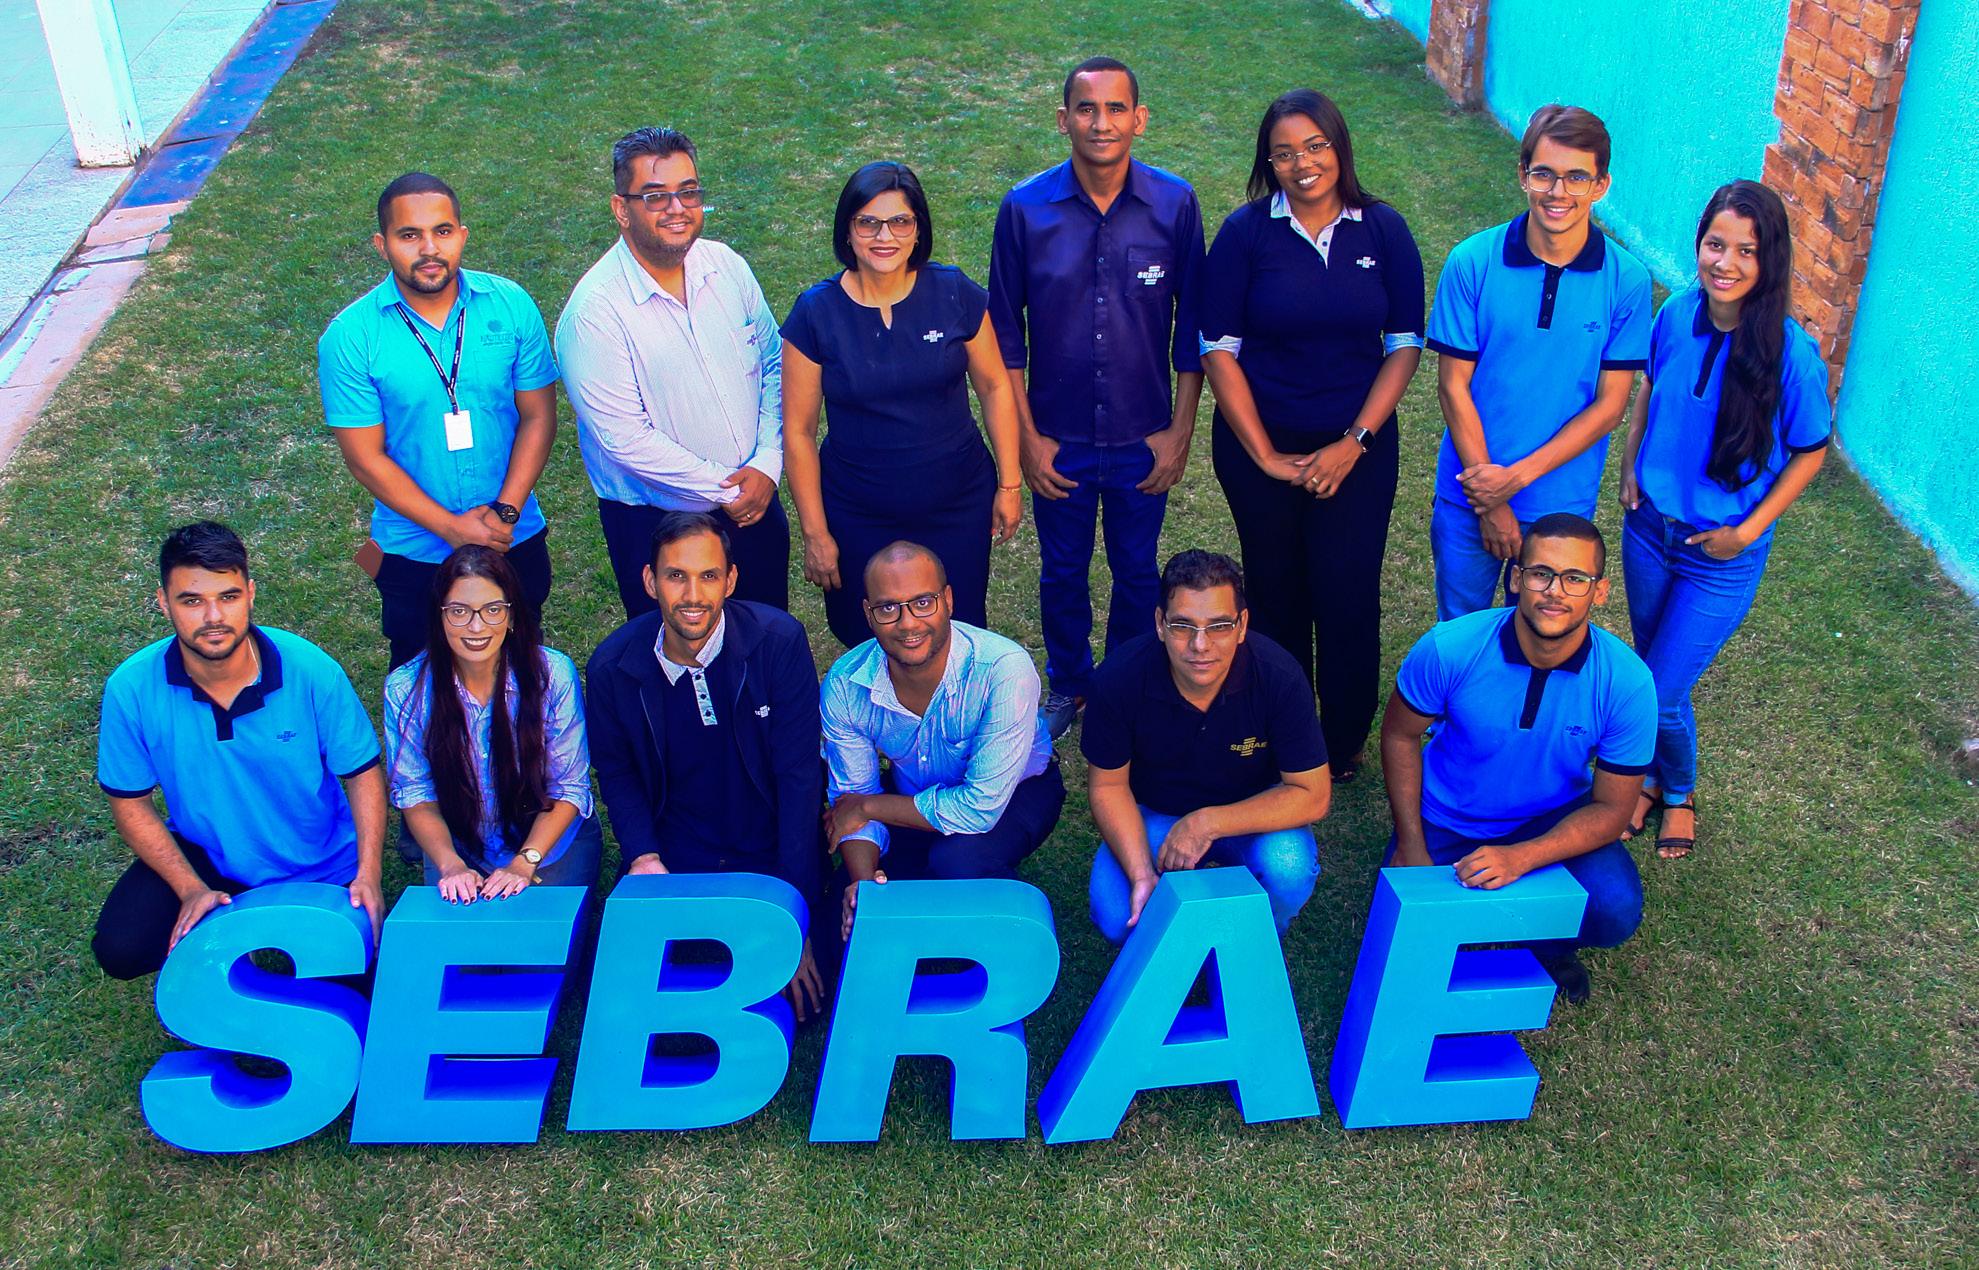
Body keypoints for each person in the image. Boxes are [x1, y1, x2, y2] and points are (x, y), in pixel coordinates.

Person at [1199, 89, 1425, 781]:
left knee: (1346, 591)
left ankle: (1344, 738)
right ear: (1267, 162)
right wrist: (1266, 455)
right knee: (1275, 593)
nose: (1302, 164)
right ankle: (1286, 733)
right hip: (1259, 449)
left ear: (1339, 146)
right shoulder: (1245, 234)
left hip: (1358, 448)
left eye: (1315, 146)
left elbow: (1404, 344)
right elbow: (1217, 348)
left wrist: (1353, 441)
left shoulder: (1382, 230)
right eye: (1284, 153)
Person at [986, 56, 1206, 739]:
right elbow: (1004, 336)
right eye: (1086, 109)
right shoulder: (1025, 209)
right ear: (1063, 120)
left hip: (1144, 435)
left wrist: (1179, 432)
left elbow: (1194, 330)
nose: (1100, 123)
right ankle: (1070, 684)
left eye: (1115, 109)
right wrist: (1027, 439)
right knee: (1062, 572)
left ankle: (1126, 683)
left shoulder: (1174, 204)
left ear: (1139, 119)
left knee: (1138, 571)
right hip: (1058, 438)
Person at [1618, 180, 1830, 860]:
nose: (1725, 263)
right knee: (1655, 674)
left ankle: (1676, 791)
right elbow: (1650, 390)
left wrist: (1747, 529)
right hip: (1649, 531)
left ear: (1769, 260)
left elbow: (1810, 451)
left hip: (1720, 555)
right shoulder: (1675, 313)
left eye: (1746, 250)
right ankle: (1653, 780)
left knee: (1659, 689)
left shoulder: (1791, 356)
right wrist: (1630, 465)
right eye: (1715, 244)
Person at [1380, 513, 1656, 1003]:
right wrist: (1411, 842)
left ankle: (1548, 944)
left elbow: (1613, 810)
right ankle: (1502, 912)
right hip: (1446, 818)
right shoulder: (1450, 648)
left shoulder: (1628, 683)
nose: (1555, 591)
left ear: (1600, 592)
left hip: (1550, 820)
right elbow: (1400, 736)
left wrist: (1521, 858)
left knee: (1613, 908)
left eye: (1575, 578)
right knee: (1402, 945)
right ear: (1515, 578)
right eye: (1540, 573)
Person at [92, 522, 386, 980]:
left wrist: (368, 874)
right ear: (163, 602)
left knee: (358, 988)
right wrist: (189, 888)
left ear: (249, 594)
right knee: (121, 948)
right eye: (192, 601)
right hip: (210, 855)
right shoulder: (130, 688)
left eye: (227, 596)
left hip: (319, 863)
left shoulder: (311, 669)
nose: (213, 616)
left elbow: (362, 774)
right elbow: (130, 805)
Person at [586, 513, 830, 1021]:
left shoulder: (778, 642)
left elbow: (799, 780)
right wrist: (643, 856)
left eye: (709, 576)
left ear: (731, 580)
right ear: (650, 580)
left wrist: (794, 911)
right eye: (676, 575)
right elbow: (618, 773)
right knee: (636, 1002)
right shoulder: (613, 666)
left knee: (804, 997)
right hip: (680, 854)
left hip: (768, 851)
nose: (692, 595)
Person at [319, 172, 561, 671]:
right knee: (422, 680)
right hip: (413, 551)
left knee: (521, 671)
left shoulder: (511, 305)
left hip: (512, 535)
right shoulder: (351, 336)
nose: (429, 249)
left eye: (443, 231)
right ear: (382, 244)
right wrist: (451, 528)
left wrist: (505, 512)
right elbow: (365, 459)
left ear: (462, 235)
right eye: (410, 235)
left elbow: (539, 416)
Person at [782, 161, 1025, 649]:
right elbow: (798, 432)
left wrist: (1010, 483)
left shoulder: (954, 293)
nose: (884, 236)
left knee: (955, 629)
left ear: (918, 230)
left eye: (899, 222)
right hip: (857, 512)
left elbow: (995, 386)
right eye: (868, 223)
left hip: (957, 504)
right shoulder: (815, 313)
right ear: (847, 231)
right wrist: (816, 532)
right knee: (868, 636)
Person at [1424, 105, 1651, 620]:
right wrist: (1490, 499)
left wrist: (1513, 483)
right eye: (1544, 174)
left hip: (1560, 504)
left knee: (1542, 637)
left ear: (1601, 185)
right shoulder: (1471, 262)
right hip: (1468, 492)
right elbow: (1453, 388)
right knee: (1461, 633)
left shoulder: (1628, 281)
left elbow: (1609, 407)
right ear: (1523, 174)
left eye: (1577, 177)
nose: (1558, 192)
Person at [557, 127, 790, 619]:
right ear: (621, 209)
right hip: (655, 524)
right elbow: (625, 438)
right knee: (676, 655)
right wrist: (732, 489)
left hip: (755, 505)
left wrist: (769, 462)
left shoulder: (726, 266)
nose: (677, 208)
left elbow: (774, 362)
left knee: (764, 637)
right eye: (655, 196)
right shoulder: (594, 313)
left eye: (688, 192)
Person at [1083, 550, 1331, 943]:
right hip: (1157, 814)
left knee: (1288, 869)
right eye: (1183, 626)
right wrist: (1141, 873)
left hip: (1253, 813)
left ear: (1242, 625)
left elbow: (1312, 795)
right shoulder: (1118, 679)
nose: (1200, 645)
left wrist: (1206, 824)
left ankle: (1249, 943)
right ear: (1160, 624)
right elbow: (1108, 787)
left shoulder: (1279, 676)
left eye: (1219, 626)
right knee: (1116, 915)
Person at [823, 542, 1064, 940]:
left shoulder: (1003, 668)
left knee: (957, 861)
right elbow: (852, 794)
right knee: (840, 912)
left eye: (923, 603)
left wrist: (867, 806)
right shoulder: (846, 683)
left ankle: (1004, 929)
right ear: (868, 614)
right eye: (888, 608)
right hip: (914, 794)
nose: (908, 624)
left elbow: (980, 809)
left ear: (948, 600)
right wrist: (864, 887)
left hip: (1016, 791)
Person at [382, 545, 601, 899]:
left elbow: (568, 788)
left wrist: (525, 862)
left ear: (511, 616)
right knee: (461, 935)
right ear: (439, 616)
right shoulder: (406, 688)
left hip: (547, 844)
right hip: (459, 847)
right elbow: (416, 793)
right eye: (459, 611)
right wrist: (450, 865)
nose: (476, 626)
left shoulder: (554, 675)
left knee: (538, 933)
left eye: (493, 610)